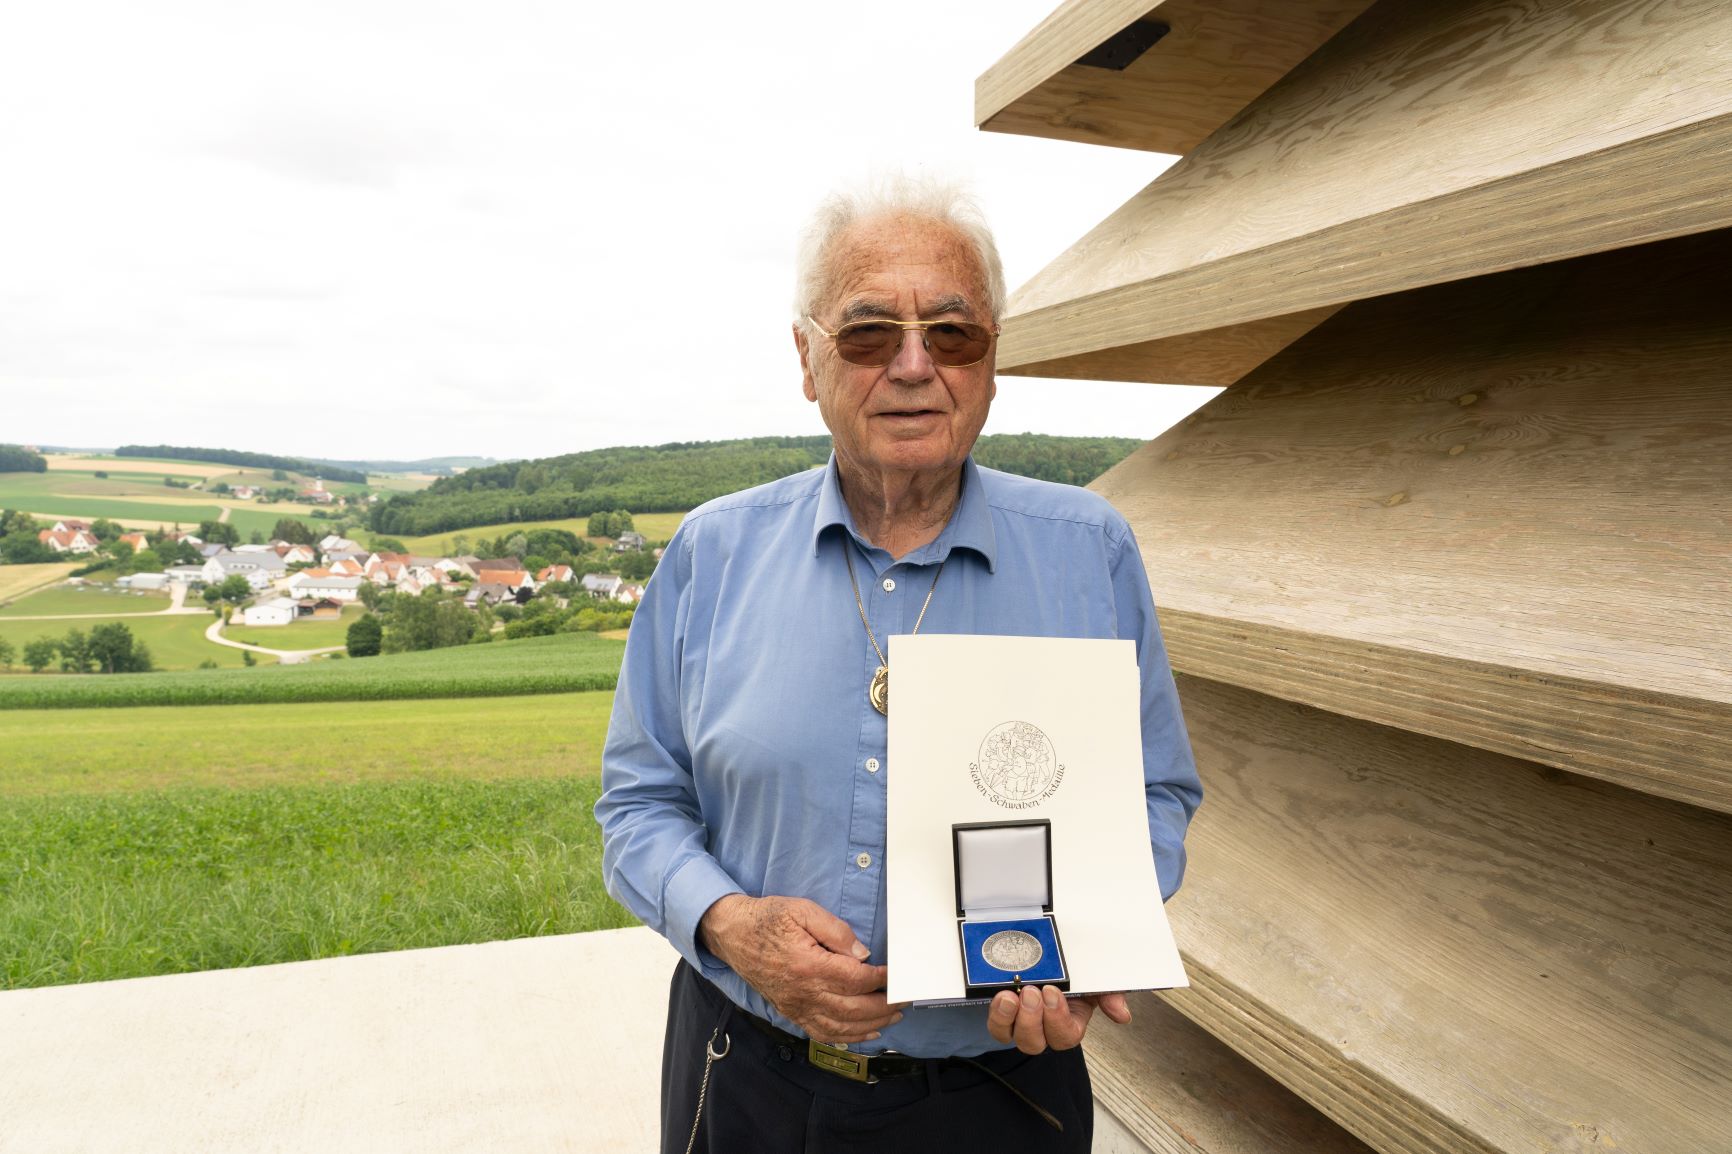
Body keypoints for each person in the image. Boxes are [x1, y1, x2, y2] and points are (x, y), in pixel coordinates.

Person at [595, 175, 1201, 1153]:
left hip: (999, 1092)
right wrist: (727, 922)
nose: (913, 366)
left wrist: (1087, 936)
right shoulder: (711, 553)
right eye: (869, 332)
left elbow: (1158, 792)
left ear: (991, 358)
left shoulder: (1090, 550)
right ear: (807, 357)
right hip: (740, 1073)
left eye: (951, 333)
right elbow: (636, 806)